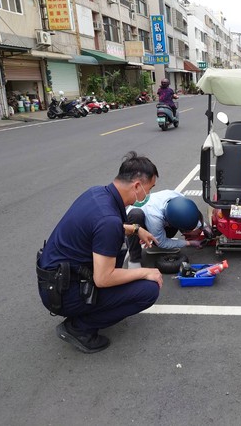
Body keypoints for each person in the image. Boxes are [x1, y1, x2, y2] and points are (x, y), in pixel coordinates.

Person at [36, 151, 163, 354]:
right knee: (148, 290)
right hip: (63, 294)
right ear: (137, 186)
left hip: (55, 280)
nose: (148, 194)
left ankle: (86, 313)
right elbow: (104, 278)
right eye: (150, 188)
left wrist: (136, 229)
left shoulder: (96, 193)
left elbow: (98, 226)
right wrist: (147, 272)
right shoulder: (108, 221)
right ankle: (78, 328)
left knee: (117, 260)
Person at [126, 189, 211, 268]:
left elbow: (190, 212)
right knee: (136, 215)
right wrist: (190, 243)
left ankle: (156, 244)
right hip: (131, 224)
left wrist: (204, 227)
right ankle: (134, 260)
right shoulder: (155, 217)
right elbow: (161, 242)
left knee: (173, 227)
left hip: (160, 218)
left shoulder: (178, 198)